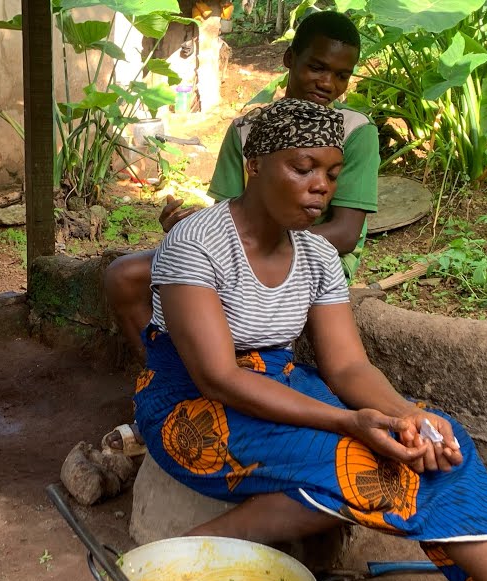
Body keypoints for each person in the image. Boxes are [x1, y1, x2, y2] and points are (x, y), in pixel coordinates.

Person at [133, 98, 487, 581]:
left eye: (332, 174)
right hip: (190, 407)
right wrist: (350, 422)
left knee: (437, 442)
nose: (321, 187)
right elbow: (217, 376)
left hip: (279, 384)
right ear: (255, 166)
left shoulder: (316, 255)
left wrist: (407, 416)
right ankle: (212, 544)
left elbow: (347, 366)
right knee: (361, 458)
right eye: (303, 167)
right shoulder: (193, 245)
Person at [106, 10, 378, 360]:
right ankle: (166, 381)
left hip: (313, 257)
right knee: (125, 275)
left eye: (341, 75)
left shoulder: (354, 131)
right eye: (317, 67)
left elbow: (345, 233)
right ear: (289, 59)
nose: (327, 83)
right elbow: (231, 212)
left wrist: (246, 249)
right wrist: (189, 225)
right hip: (243, 249)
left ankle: (225, 379)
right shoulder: (247, 128)